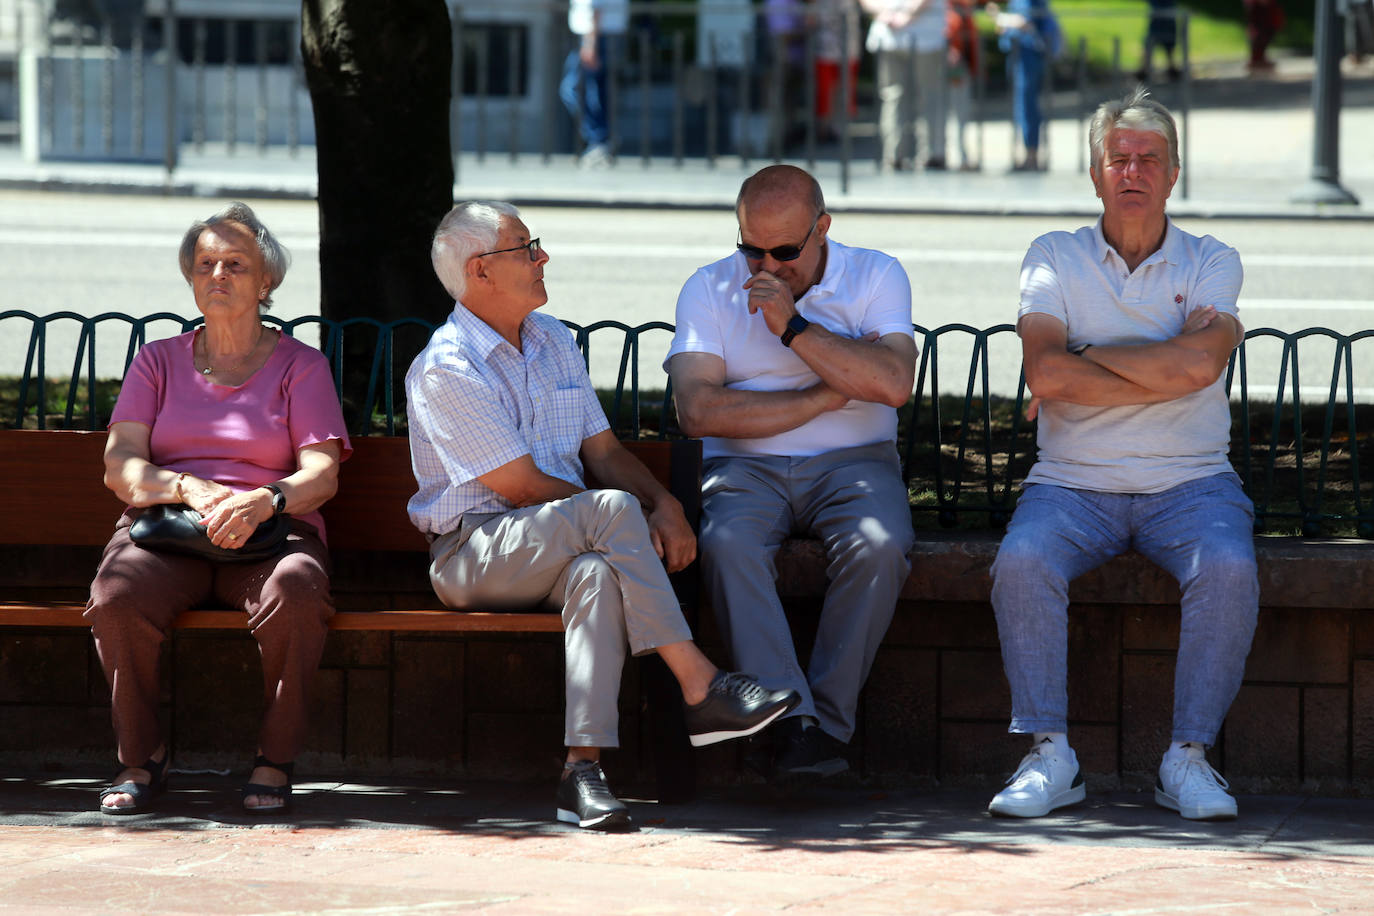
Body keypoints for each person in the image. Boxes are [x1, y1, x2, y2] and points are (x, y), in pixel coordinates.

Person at [406, 201, 800, 831]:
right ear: (481, 270)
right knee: (610, 518)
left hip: (557, 539)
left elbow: (605, 451)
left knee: (597, 573)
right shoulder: (446, 366)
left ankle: (581, 771)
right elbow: (520, 487)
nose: (543, 257)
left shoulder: (552, 339)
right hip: (471, 553)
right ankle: (700, 685)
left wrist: (665, 505)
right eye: (526, 247)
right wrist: (623, 516)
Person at [987, 88, 1258, 822]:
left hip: (1194, 482)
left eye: (1148, 159)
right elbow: (1045, 374)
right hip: (1071, 485)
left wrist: (1087, 355)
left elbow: (1199, 372)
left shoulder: (1211, 260)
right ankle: (1050, 753)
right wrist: (1163, 364)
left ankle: (1188, 759)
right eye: (1118, 158)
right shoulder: (1053, 255)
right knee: (1022, 563)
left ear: (1173, 174)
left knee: (1229, 569)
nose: (1132, 171)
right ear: (1096, 174)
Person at [87, 202, 351, 815]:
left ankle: (275, 758)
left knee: (298, 592)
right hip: (167, 529)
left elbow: (322, 473)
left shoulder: (300, 366)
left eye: (236, 263)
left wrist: (266, 500)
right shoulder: (157, 360)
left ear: (267, 282)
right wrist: (185, 487)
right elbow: (120, 462)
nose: (219, 275)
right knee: (116, 597)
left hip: (269, 531)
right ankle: (140, 757)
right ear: (190, 277)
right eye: (205, 263)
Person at [666, 165, 917, 785]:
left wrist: (795, 329)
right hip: (743, 465)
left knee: (880, 547)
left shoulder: (876, 275)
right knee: (725, 544)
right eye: (752, 248)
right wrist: (822, 396)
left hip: (856, 463)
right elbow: (697, 410)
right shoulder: (708, 288)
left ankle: (822, 727)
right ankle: (794, 722)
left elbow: (891, 383)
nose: (767, 268)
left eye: (785, 251)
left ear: (822, 229)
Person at [860, 0, 950, 171]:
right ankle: (903, 155)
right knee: (899, 96)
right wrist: (890, 14)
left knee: (919, 96)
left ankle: (923, 154)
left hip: (922, 37)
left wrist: (901, 15)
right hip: (895, 36)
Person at [992, 0, 1061, 171]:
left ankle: (1031, 155)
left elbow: (1024, 21)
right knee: (1022, 105)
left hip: (1028, 56)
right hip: (1020, 55)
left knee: (1027, 105)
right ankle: (1028, 154)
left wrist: (999, 17)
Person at [559, 0, 627, 167]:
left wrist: (590, 42)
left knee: (572, 89)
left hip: (595, 33)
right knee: (596, 90)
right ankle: (602, 139)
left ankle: (599, 138)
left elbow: (596, 5)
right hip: (600, 32)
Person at [1136, 0, 1180, 83]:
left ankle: (1171, 68)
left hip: (1167, 21)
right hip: (1157, 20)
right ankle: (1144, 69)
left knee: (1168, 45)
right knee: (1149, 44)